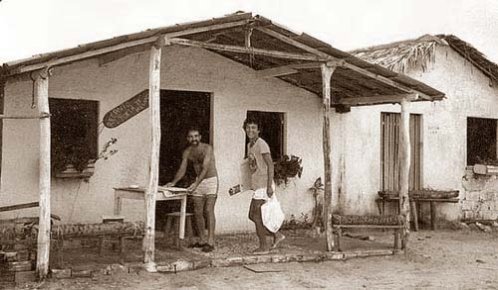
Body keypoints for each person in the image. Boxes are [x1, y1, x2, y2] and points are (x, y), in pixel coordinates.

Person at [166, 127, 218, 252]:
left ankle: (211, 241)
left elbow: (205, 168)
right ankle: (202, 240)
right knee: (198, 211)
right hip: (197, 182)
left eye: (196, 136)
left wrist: (196, 183)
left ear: (200, 137)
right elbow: (182, 169)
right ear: (188, 138)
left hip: (210, 181)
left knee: (208, 210)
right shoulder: (188, 152)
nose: (193, 139)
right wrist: (173, 182)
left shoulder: (207, 148)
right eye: (191, 136)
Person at [244, 117, 285, 255]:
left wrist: (269, 186)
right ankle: (276, 235)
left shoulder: (262, 144)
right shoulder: (250, 145)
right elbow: (254, 166)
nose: (250, 130)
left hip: (264, 185)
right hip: (258, 185)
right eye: (248, 127)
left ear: (258, 130)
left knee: (256, 216)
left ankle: (264, 246)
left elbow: (270, 165)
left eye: (253, 127)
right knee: (252, 215)